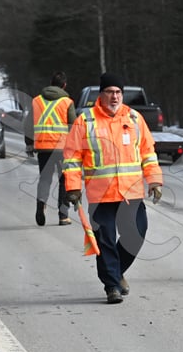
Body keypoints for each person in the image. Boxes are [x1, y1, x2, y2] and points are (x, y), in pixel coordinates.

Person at [63, 72, 163, 304]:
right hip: (101, 194)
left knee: (135, 235)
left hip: (131, 192)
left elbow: (148, 153)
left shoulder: (135, 119)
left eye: (118, 92)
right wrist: (73, 187)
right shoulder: (85, 121)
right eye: (110, 92)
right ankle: (112, 286)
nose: (115, 96)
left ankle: (116, 273)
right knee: (105, 240)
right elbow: (72, 158)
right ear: (101, 95)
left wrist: (155, 180)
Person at [30, 72, 74, 226]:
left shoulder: (36, 101)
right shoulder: (67, 102)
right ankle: (63, 215)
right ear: (64, 85)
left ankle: (40, 205)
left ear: (51, 83)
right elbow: (73, 126)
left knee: (45, 179)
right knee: (64, 180)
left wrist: (29, 144)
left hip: (43, 147)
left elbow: (28, 124)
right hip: (62, 149)